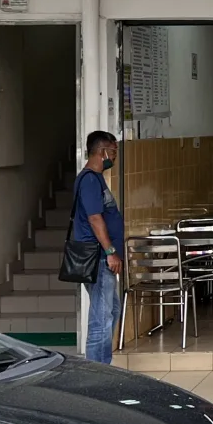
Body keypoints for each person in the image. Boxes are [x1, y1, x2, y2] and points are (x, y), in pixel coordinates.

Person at [71, 129, 125, 364]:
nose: (115, 157)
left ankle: (102, 363)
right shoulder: (90, 180)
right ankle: (98, 369)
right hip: (99, 257)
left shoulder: (96, 178)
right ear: (103, 151)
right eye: (113, 152)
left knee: (111, 311)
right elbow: (95, 218)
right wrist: (110, 252)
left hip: (101, 257)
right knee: (101, 319)